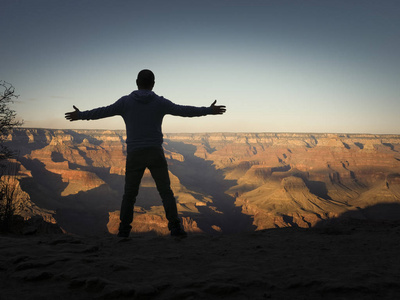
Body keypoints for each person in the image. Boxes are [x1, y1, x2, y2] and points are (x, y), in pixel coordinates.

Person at [65, 69, 226, 237]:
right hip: (155, 153)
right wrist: (208, 110)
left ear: (136, 82)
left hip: (135, 154)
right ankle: (175, 227)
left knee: (130, 194)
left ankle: (124, 230)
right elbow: (184, 110)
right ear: (153, 84)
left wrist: (80, 115)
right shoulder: (159, 102)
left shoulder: (125, 102)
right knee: (166, 192)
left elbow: (102, 112)